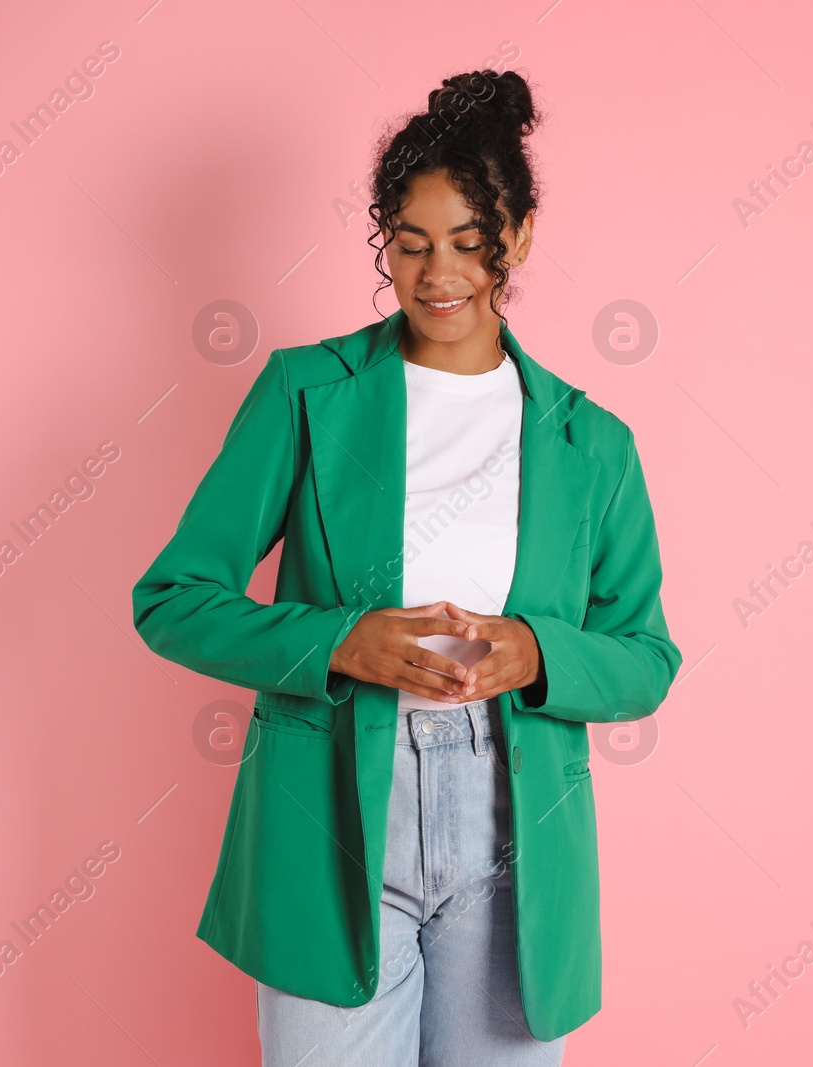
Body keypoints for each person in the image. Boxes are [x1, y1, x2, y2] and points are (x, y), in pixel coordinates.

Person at [132, 68, 681, 1066]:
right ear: (382, 236)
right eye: (410, 241)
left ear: (515, 236)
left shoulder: (591, 441)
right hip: (333, 813)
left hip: (510, 820)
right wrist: (340, 640)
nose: (438, 272)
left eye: (469, 242)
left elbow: (646, 655)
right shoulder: (306, 393)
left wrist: (533, 653)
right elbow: (173, 599)